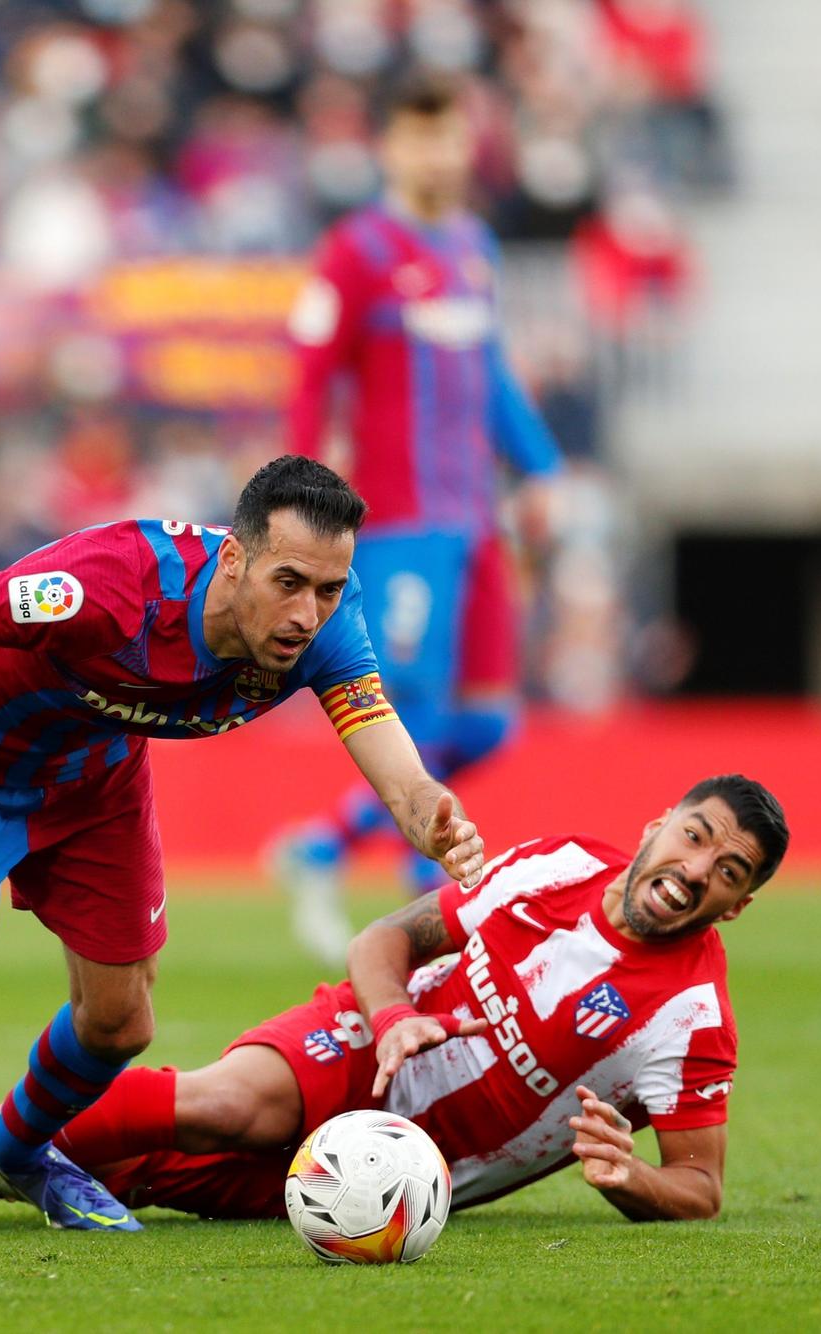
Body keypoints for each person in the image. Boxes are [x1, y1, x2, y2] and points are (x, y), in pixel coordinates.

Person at [0, 455, 486, 1232]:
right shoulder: (111, 584)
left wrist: (428, 810)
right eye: (289, 583)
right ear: (233, 560)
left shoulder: (328, 623)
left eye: (328, 590)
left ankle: (17, 1152)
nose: (308, 613)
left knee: (120, 1023)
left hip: (95, 778)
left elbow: (389, 755)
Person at [0, 775, 784, 1232]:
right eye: (694, 835)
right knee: (219, 1102)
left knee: (118, 1172)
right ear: (656, 825)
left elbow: (700, 1184)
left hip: (392, 1173)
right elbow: (385, 938)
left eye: (727, 870)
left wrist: (631, 1175)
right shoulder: (549, 864)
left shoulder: (688, 1019)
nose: (696, 868)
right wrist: (392, 1011)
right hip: (356, 1048)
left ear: (732, 906)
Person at [281, 74, 564, 964]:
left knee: (487, 725)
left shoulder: (475, 244)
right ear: (390, 146)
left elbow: (493, 375)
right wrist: (297, 497)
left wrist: (544, 467)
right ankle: (428, 927)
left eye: (452, 138)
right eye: (421, 137)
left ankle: (323, 843)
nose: (439, 154)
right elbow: (308, 374)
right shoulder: (356, 250)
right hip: (399, 524)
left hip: (477, 518)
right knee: (423, 715)